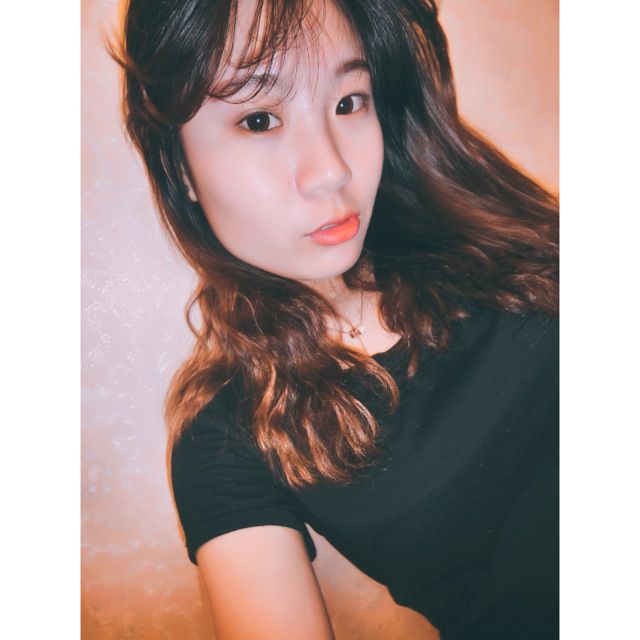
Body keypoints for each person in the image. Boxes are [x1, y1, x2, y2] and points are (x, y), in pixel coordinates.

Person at [112, 0, 559, 638]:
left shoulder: (493, 240)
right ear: (179, 165)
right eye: (259, 119)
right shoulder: (231, 435)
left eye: (349, 102)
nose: (331, 169)